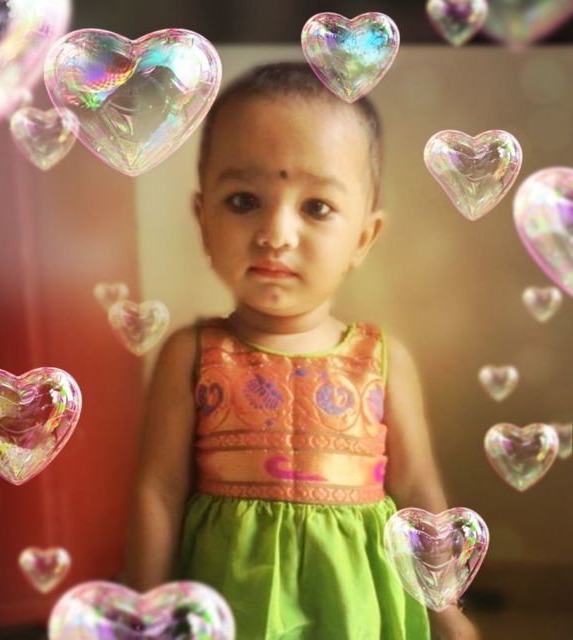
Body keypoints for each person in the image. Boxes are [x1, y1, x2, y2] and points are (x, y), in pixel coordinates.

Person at [127, 61, 479, 640]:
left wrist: (447, 610)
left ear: (363, 237)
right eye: (244, 200)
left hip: (355, 602)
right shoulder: (191, 354)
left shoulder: (382, 359)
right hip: (230, 598)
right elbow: (159, 492)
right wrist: (146, 610)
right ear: (203, 221)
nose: (276, 234)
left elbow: (417, 493)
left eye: (316, 207)